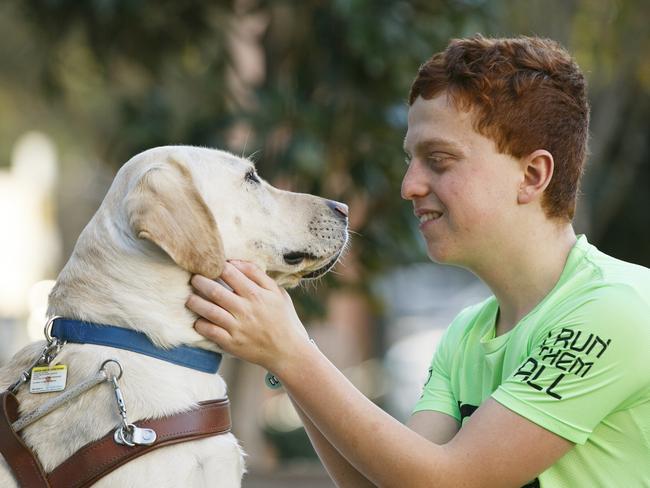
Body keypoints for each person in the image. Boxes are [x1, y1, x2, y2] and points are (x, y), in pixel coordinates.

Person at [186, 35, 650, 487]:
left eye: (440, 160)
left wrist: (292, 351)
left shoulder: (616, 309)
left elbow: (450, 481)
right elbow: (387, 482)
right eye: (411, 159)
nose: (409, 185)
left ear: (532, 176)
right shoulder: (468, 332)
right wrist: (286, 354)